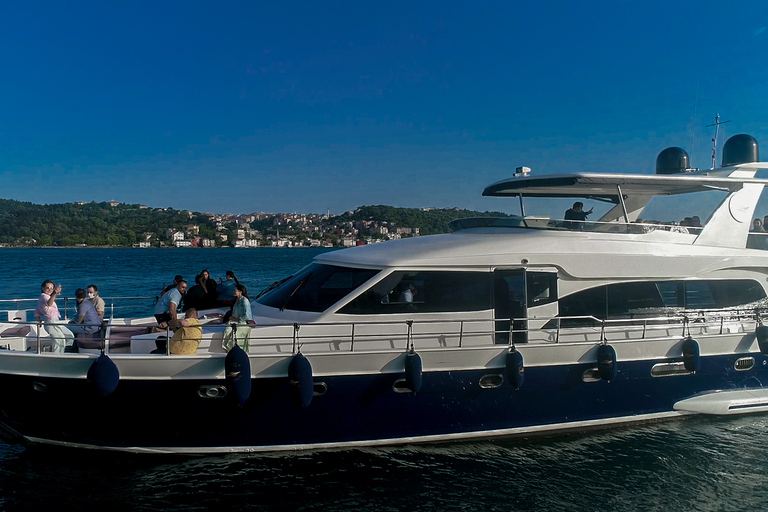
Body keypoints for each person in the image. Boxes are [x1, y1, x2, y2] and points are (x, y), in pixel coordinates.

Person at [34, 280, 74, 353]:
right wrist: (55, 292)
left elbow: (37, 311)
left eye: (52, 288)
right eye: (47, 288)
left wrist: (39, 319)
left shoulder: (44, 298)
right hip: (51, 323)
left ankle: (64, 350)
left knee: (69, 335)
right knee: (59, 340)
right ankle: (58, 355)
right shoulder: (44, 297)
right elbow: (49, 303)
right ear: (43, 288)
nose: (50, 290)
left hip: (55, 321)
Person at [222, 284, 253, 352]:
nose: (234, 292)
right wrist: (231, 319)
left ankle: (237, 349)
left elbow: (247, 316)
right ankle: (228, 349)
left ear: (240, 292)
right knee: (227, 331)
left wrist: (235, 319)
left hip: (244, 322)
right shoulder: (236, 301)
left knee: (236, 333)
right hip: (235, 321)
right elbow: (234, 313)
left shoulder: (245, 301)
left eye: (235, 290)